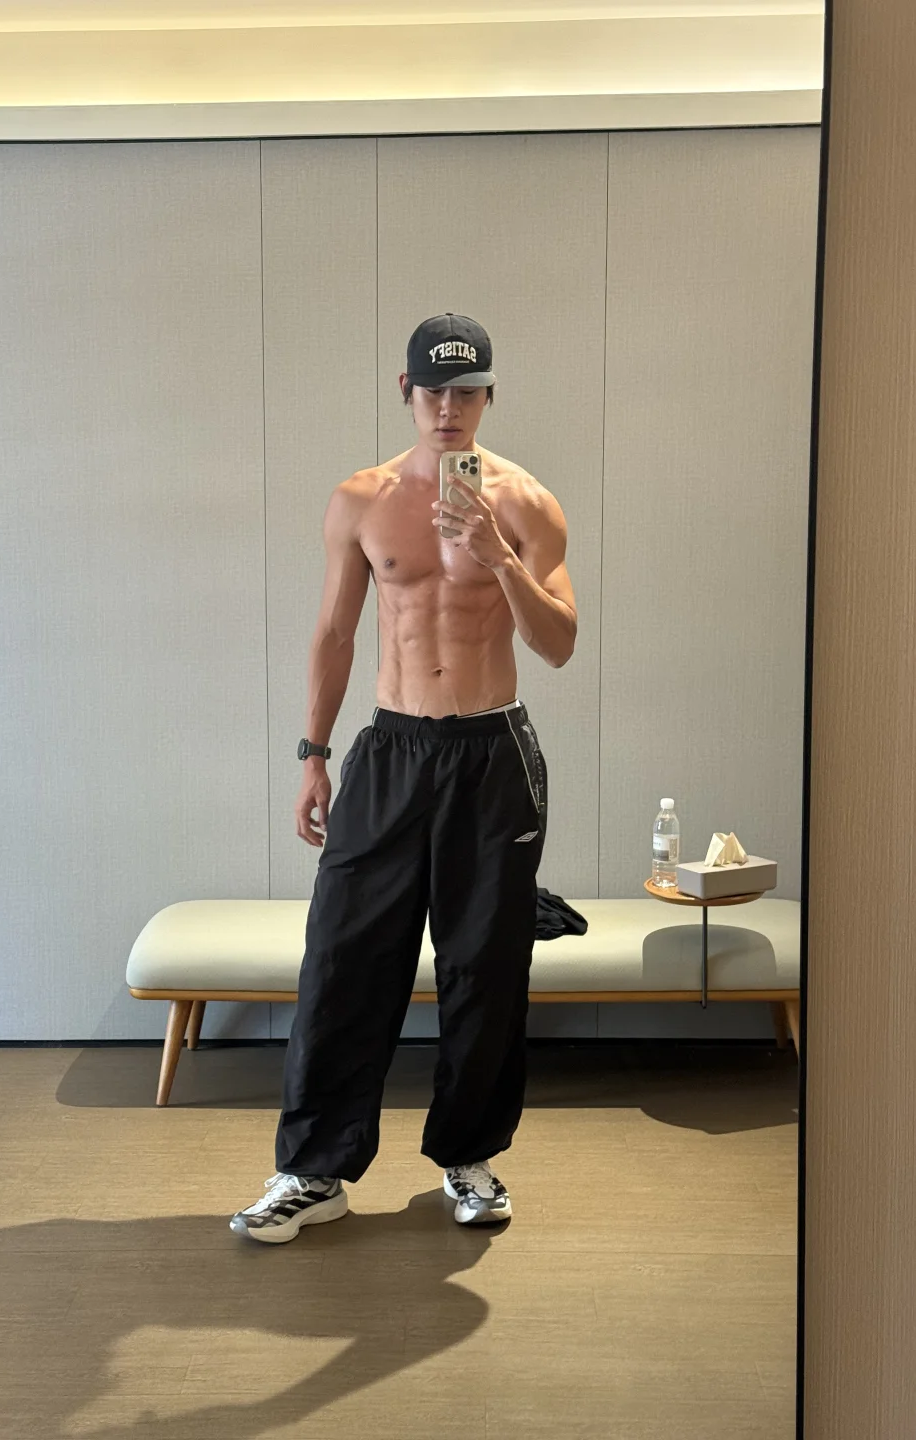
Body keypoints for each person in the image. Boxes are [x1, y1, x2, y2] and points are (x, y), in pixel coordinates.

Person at [231, 313, 577, 1243]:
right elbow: (335, 633)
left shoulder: (528, 504)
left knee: (484, 967)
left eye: (466, 391)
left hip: (493, 752)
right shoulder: (362, 499)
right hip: (391, 750)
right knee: (344, 959)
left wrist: (497, 556)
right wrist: (313, 754)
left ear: (489, 396)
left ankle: (471, 1156)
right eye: (433, 390)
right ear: (406, 392)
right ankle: (314, 1170)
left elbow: (558, 644)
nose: (448, 407)